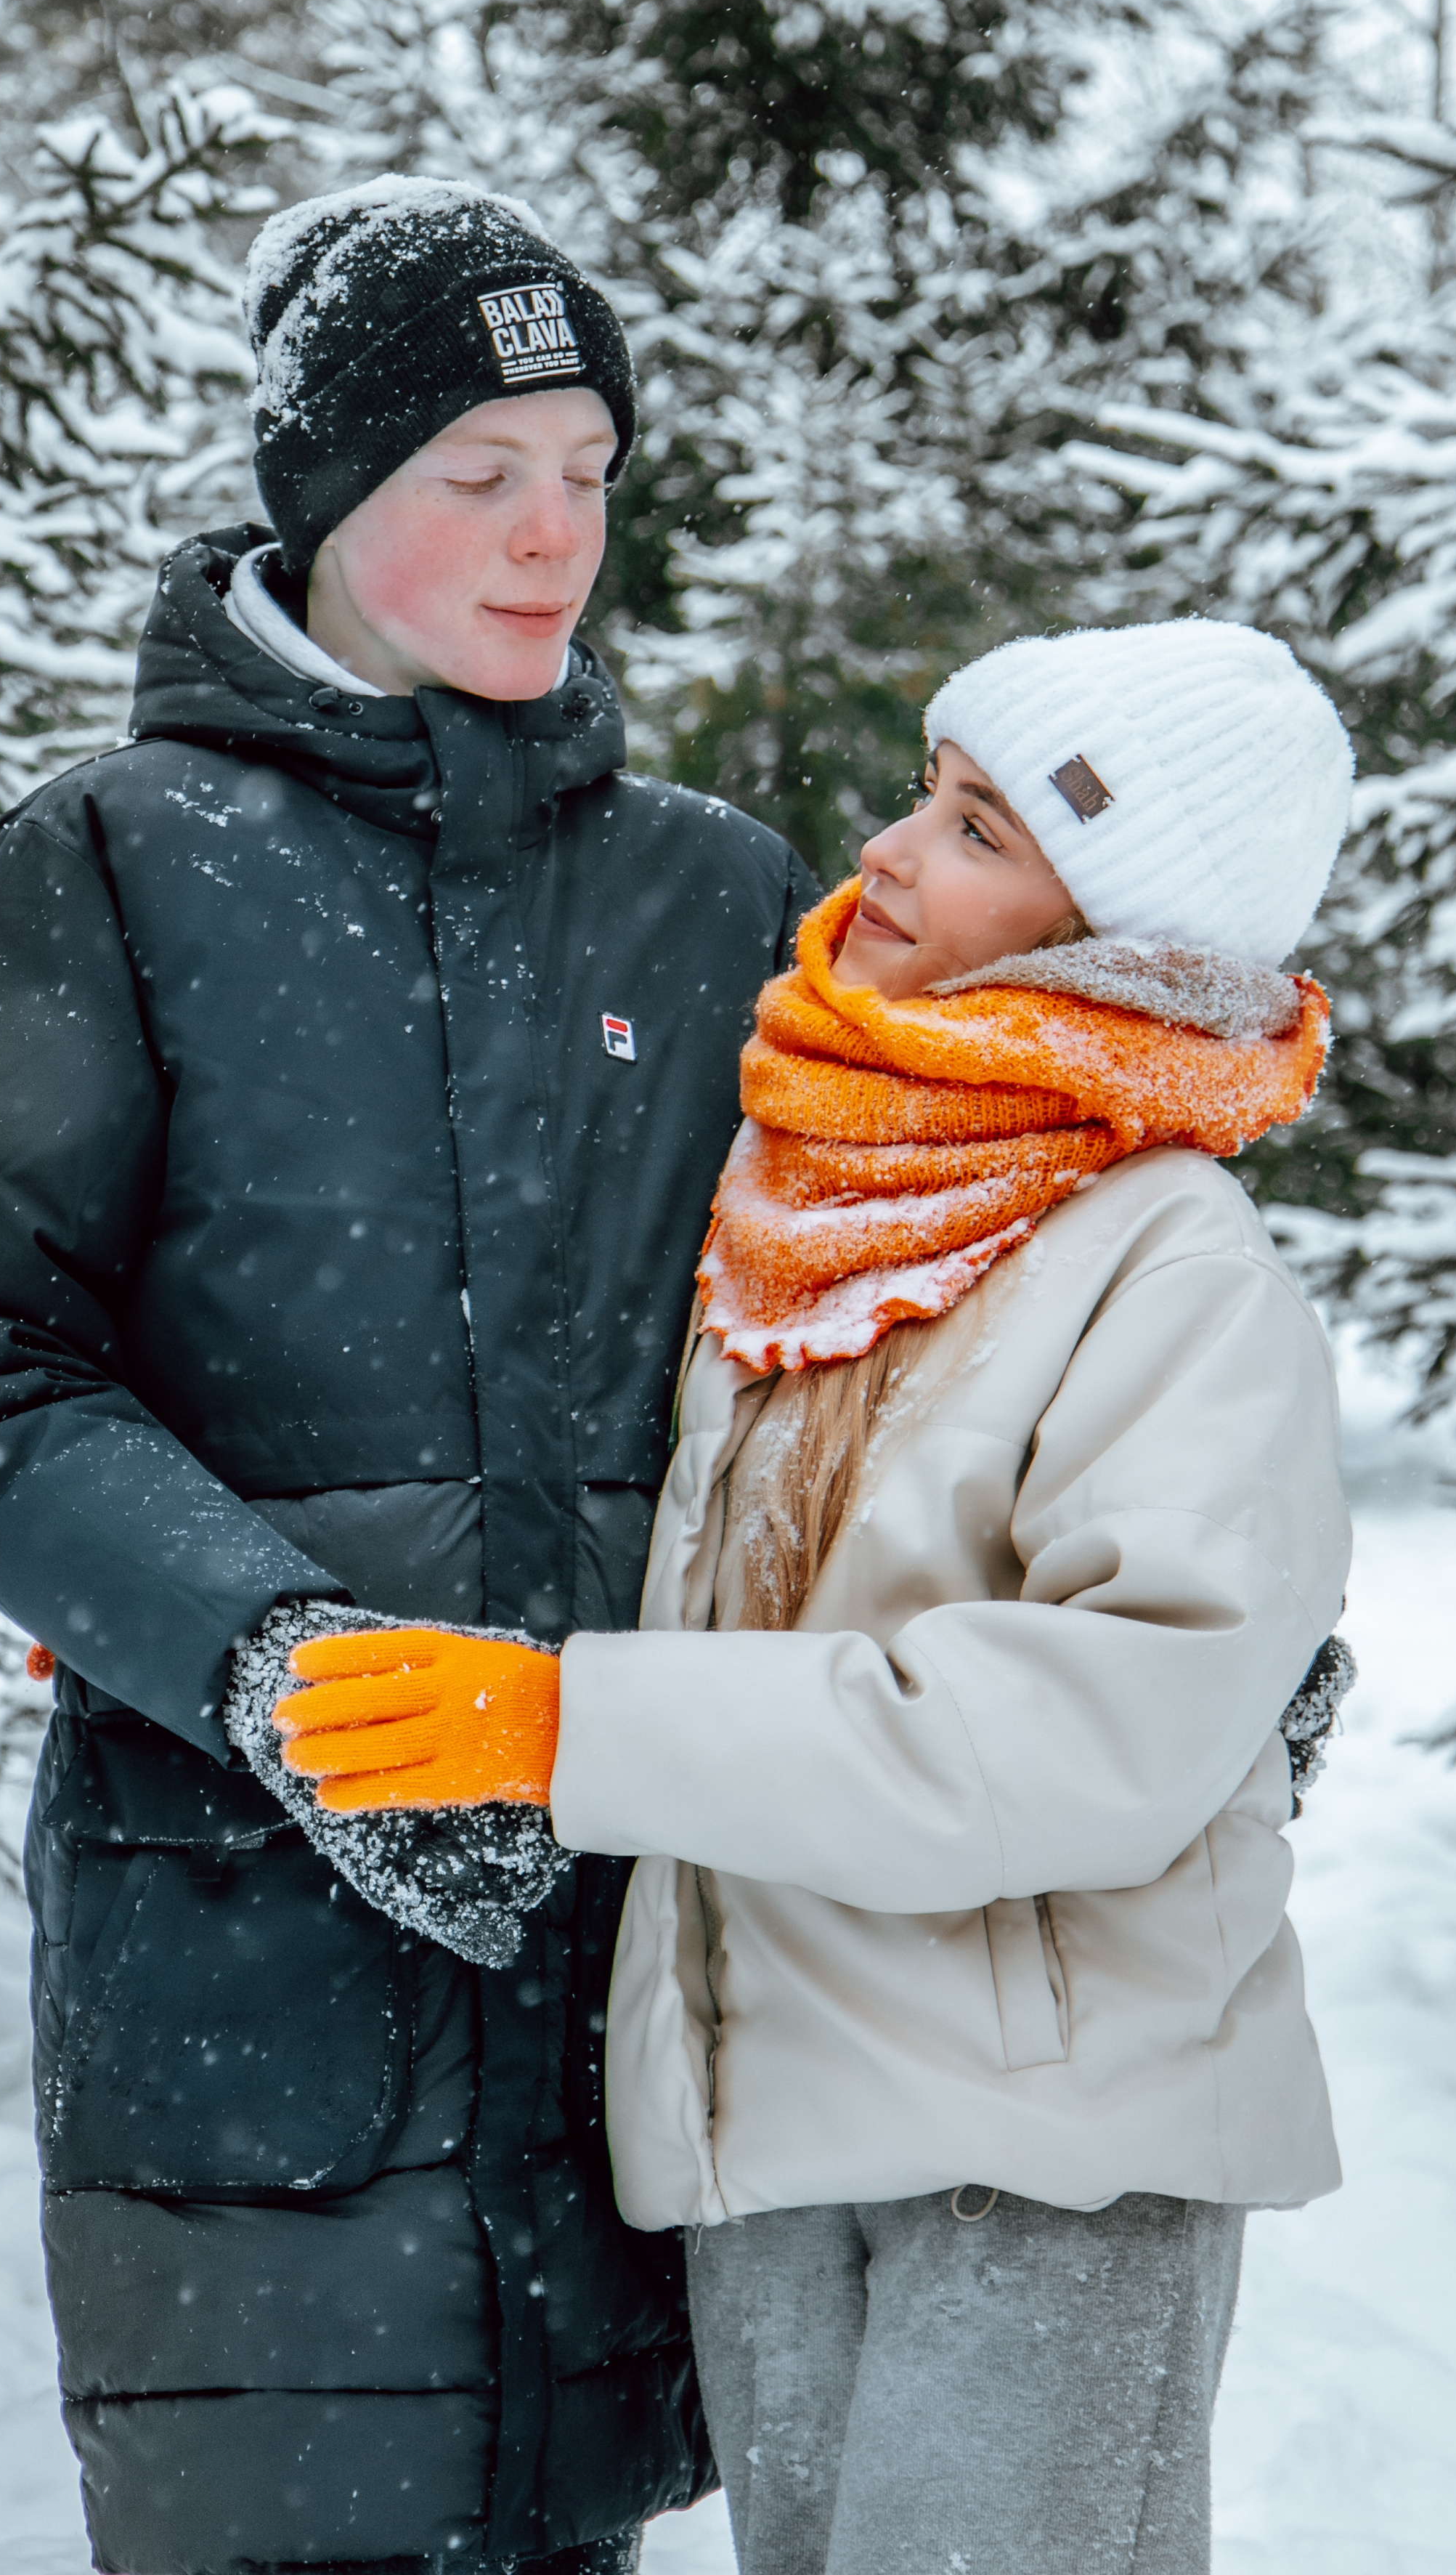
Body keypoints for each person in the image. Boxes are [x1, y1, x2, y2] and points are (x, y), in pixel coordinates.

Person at [0, 178, 821, 2575]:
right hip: (242, 1954)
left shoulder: (710, 894)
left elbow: (866, 1326)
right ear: (327, 491)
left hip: (632, 1967)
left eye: (587, 466)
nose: (549, 533)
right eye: (479, 472)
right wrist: (280, 1664)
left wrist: (1148, 1606)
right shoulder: (112, 865)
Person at [267, 618, 1358, 2575]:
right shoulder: (802, 1195)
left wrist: (568, 1729)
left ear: (1121, 944)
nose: (893, 858)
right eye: (930, 797)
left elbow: (1098, 1731)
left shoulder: (1164, 1260)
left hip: (1039, 2162)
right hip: (767, 2128)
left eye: (980, 834)